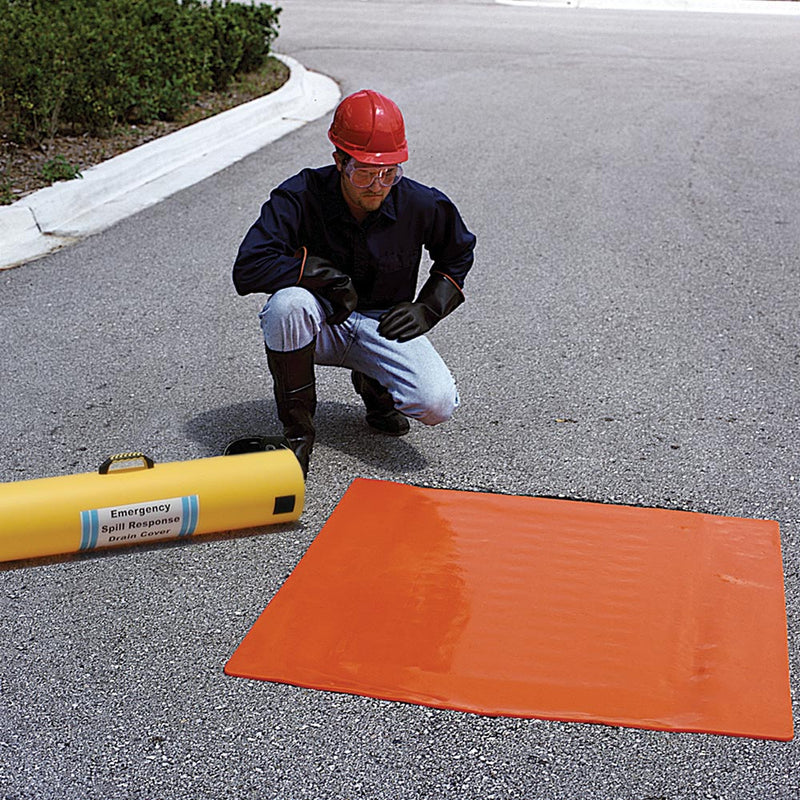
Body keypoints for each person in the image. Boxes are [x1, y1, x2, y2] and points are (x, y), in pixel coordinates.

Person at [232, 89, 476, 477]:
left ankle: (375, 386)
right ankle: (297, 437)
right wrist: (320, 275)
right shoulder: (300, 195)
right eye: (363, 172)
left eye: (388, 172)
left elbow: (458, 252)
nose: (377, 185)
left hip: (383, 324)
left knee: (437, 404)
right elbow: (248, 267)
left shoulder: (420, 203)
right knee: (286, 305)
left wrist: (428, 307)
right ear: (339, 161)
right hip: (321, 321)